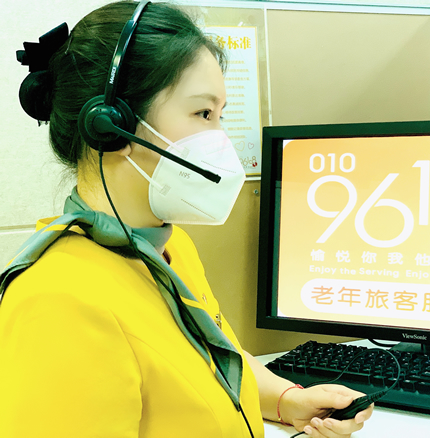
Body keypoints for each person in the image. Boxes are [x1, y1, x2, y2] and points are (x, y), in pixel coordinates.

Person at [0, 1, 374, 437]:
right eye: (203, 114)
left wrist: (287, 400)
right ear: (110, 125)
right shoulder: (57, 302)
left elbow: (210, 357)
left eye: (220, 115)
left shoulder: (166, 247)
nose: (221, 140)